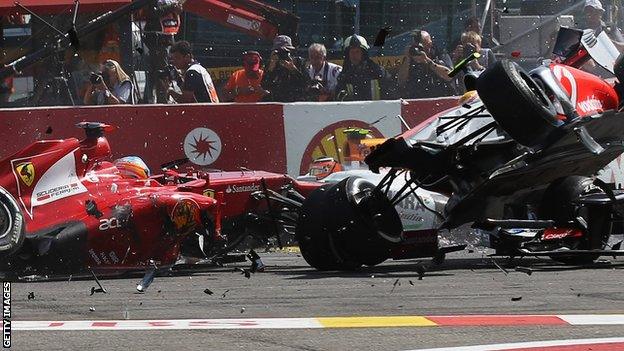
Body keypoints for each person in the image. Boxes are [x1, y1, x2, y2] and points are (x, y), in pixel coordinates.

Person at [397, 30, 455, 99]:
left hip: (441, 98)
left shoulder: (440, 54)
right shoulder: (410, 59)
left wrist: (428, 61)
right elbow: (401, 81)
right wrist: (407, 59)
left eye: (421, 46)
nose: (418, 49)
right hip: (417, 100)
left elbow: (450, 76)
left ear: (430, 44)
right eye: (415, 46)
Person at [335, 34, 385, 101]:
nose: (354, 55)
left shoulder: (378, 72)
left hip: (378, 110)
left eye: (357, 52)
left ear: (363, 54)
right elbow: (338, 97)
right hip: (353, 111)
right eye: (352, 52)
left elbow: (390, 94)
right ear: (348, 55)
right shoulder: (344, 77)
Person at [261, 35, 309, 102]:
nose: (283, 54)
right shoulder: (271, 63)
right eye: (280, 51)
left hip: (296, 100)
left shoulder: (300, 62)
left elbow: (306, 83)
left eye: (286, 51)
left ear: (291, 51)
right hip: (277, 100)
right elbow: (265, 86)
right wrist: (270, 69)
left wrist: (294, 70)